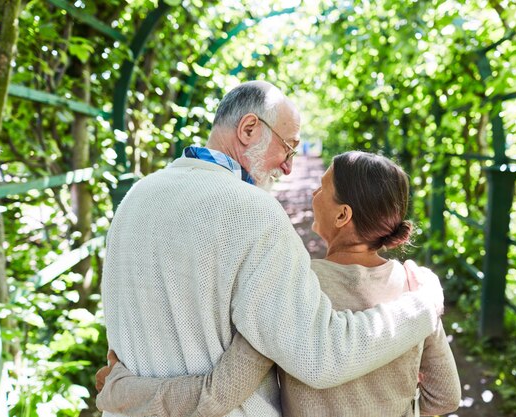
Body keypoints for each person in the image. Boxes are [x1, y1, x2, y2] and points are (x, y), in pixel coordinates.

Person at [100, 81, 445, 417]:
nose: (289, 166)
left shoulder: (135, 198)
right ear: (249, 129)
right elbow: (319, 355)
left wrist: (121, 392)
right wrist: (423, 305)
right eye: (288, 146)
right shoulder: (254, 212)